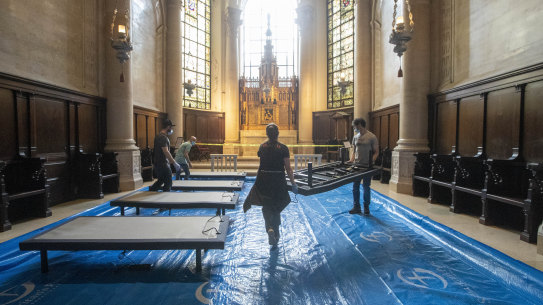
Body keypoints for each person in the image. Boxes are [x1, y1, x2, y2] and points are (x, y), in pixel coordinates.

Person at [243, 123, 298, 248]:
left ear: (267, 134)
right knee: (276, 206)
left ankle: (269, 229)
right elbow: (288, 168)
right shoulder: (283, 148)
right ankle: (276, 233)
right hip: (278, 179)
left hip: (264, 179)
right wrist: (293, 183)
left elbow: (261, 165)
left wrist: (257, 181)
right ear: (278, 133)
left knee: (266, 205)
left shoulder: (262, 147)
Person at [348, 118, 379, 215]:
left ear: (360, 125)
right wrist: (351, 160)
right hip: (356, 166)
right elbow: (354, 150)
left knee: (366, 186)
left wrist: (371, 161)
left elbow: (376, 152)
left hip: (367, 167)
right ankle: (356, 206)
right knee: (355, 186)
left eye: (355, 126)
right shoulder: (355, 137)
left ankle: (366, 207)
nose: (354, 128)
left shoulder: (371, 137)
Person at [149, 119, 180, 192]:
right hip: (162, 163)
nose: (172, 129)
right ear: (168, 127)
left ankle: (151, 191)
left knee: (161, 180)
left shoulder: (158, 136)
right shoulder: (162, 137)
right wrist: (174, 163)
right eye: (171, 127)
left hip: (159, 163)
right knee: (168, 182)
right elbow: (166, 151)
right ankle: (166, 199)